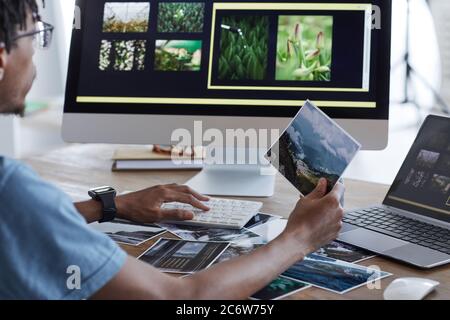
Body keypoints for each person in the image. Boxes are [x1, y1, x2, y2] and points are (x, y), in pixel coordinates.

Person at [0, 0, 345, 300]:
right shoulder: (12, 189)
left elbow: (21, 224)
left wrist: (108, 206)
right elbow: (178, 298)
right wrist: (299, 238)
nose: (36, 54)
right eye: (34, 35)